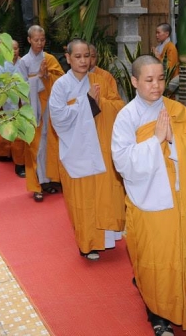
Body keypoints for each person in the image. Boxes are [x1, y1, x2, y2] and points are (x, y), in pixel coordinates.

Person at [111, 55, 186, 336]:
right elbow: (122, 161)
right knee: (155, 261)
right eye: (149, 80)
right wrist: (156, 140)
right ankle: (157, 313)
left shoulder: (177, 111)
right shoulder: (126, 117)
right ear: (134, 81)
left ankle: (184, 300)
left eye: (161, 79)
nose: (157, 85)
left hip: (180, 199)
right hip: (149, 201)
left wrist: (175, 139)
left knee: (183, 253)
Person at [49, 39, 126, 261]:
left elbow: (119, 106)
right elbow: (59, 118)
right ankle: (87, 244)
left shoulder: (100, 80)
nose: (83, 61)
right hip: (76, 151)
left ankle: (106, 238)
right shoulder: (61, 86)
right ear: (68, 58)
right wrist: (87, 101)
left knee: (103, 194)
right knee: (82, 200)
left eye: (87, 56)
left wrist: (100, 102)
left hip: (100, 148)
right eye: (78, 57)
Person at [16, 25, 65, 202]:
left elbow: (62, 80)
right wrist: (38, 78)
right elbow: (20, 87)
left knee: (48, 145)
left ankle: (47, 181)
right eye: (36, 40)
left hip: (49, 109)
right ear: (29, 40)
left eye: (42, 40)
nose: (40, 43)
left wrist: (47, 76)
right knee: (35, 148)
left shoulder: (49, 59)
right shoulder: (24, 62)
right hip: (33, 110)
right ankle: (36, 185)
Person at [0, 39, 27, 178]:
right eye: (11, 49)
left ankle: (20, 164)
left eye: (16, 48)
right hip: (8, 101)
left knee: (20, 134)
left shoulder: (24, 63)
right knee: (8, 129)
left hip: (23, 102)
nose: (14, 51)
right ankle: (5, 154)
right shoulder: (3, 65)